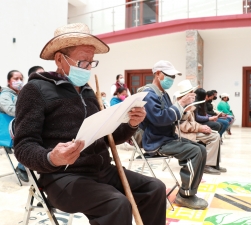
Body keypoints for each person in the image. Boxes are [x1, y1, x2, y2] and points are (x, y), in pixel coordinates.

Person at [14, 23, 166, 225]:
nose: (87, 68)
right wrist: (51, 157)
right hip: (62, 177)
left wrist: (131, 124)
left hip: (102, 171)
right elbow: (23, 146)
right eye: (82, 62)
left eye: (91, 62)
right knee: (117, 204)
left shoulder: (88, 92)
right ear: (60, 59)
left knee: (155, 188)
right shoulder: (35, 89)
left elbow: (109, 137)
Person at [140, 60, 208, 210]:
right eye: (169, 75)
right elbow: (160, 119)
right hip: (156, 142)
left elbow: (170, 116)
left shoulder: (162, 94)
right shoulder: (148, 94)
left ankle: (190, 192)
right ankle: (184, 196)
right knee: (195, 152)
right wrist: (181, 104)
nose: (172, 79)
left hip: (167, 138)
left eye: (173, 76)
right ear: (158, 74)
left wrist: (183, 109)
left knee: (201, 149)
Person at [175, 81, 226, 175]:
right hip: (183, 134)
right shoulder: (180, 106)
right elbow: (183, 126)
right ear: (186, 95)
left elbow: (192, 122)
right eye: (191, 92)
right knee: (214, 136)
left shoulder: (188, 105)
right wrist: (200, 128)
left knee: (215, 134)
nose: (193, 94)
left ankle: (214, 165)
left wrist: (201, 127)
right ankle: (207, 165)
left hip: (190, 130)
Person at [0, 70, 29, 182]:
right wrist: (28, 111)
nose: (19, 81)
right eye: (16, 79)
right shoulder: (5, 95)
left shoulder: (20, 94)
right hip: (12, 130)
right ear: (8, 81)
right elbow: (10, 110)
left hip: (21, 128)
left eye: (21, 79)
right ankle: (21, 168)